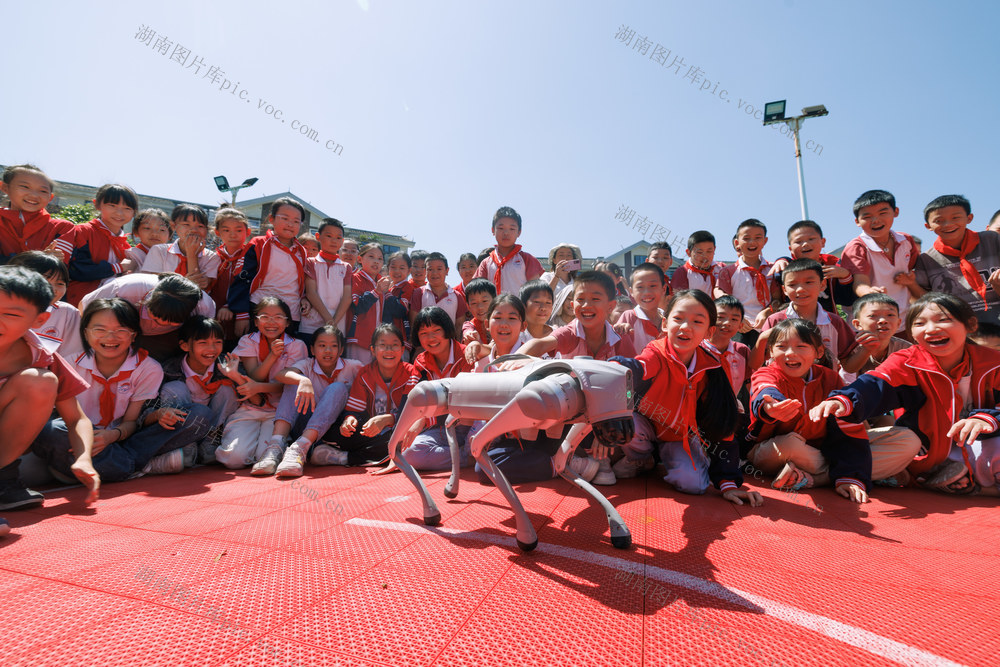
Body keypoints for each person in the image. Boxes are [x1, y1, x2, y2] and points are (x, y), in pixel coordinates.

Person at [812, 292, 1000, 496]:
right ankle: (821, 473)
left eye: (943, 320)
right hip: (926, 453)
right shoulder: (908, 360)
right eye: (920, 323)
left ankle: (968, 482)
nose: (931, 329)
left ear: (970, 325)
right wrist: (846, 399)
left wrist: (988, 418)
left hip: (986, 445)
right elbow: (875, 384)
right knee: (906, 442)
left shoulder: (993, 362)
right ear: (911, 332)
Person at [32, 298, 212, 484]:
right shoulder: (69, 363)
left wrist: (112, 436)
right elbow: (68, 419)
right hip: (81, 438)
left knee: (200, 416)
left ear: (133, 335)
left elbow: (131, 422)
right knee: (49, 430)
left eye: (121, 331)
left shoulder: (148, 368)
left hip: (124, 438)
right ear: (86, 333)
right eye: (99, 330)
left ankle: (108, 467)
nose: (110, 338)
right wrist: (86, 438)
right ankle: (137, 466)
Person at [611, 290, 760, 505]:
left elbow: (723, 420)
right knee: (624, 422)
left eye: (697, 321)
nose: (685, 327)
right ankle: (642, 459)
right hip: (647, 424)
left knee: (695, 485)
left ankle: (671, 458)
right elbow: (638, 366)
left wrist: (729, 483)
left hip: (679, 436)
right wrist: (613, 368)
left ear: (709, 331)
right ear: (665, 323)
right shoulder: (656, 351)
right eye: (678, 319)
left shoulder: (714, 367)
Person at [748, 319, 919, 502]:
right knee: (791, 444)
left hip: (826, 449)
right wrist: (771, 407)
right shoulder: (766, 373)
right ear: (771, 352)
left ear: (818, 352)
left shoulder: (830, 378)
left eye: (801, 346)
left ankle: (821, 476)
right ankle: (846, 474)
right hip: (776, 450)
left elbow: (848, 427)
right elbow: (764, 389)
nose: (790, 353)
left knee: (908, 440)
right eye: (781, 346)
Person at [0, 267, 96, 529]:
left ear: (39, 320)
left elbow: (76, 419)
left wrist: (83, 458)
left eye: (10, 315)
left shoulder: (42, 357)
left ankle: (3, 479)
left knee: (41, 381)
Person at [216, 297, 309, 472]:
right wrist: (272, 356)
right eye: (265, 316)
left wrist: (258, 388)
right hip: (251, 406)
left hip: (279, 410)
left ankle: (272, 446)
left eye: (278, 317)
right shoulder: (248, 340)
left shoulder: (297, 345)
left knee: (264, 456)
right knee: (233, 459)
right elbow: (254, 376)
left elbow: (290, 386)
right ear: (256, 322)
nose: (271, 322)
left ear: (288, 322)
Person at [266, 325, 362, 476]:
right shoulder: (307, 365)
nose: (328, 351)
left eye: (333, 346)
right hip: (303, 426)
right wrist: (303, 381)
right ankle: (275, 446)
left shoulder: (353, 366)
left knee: (337, 388)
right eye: (322, 346)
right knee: (294, 382)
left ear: (341, 350)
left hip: (336, 430)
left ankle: (301, 448)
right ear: (312, 349)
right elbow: (281, 375)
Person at [319, 324, 420, 466]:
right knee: (333, 432)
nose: (389, 350)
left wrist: (387, 419)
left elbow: (415, 414)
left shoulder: (412, 373)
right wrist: (349, 420)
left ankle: (345, 458)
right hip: (372, 431)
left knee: (406, 442)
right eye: (383, 345)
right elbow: (354, 411)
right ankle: (371, 455)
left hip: (400, 429)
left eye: (394, 345)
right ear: (373, 350)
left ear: (403, 349)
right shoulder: (365, 374)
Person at [157, 316, 239, 465]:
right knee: (174, 388)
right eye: (203, 343)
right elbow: (150, 406)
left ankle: (211, 441)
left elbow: (249, 397)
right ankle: (186, 443)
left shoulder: (226, 365)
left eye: (217, 343)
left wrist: (236, 376)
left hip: (213, 425)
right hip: (184, 428)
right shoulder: (168, 370)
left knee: (228, 389)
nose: (212, 349)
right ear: (185, 346)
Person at [79, 273, 216, 361]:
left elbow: (203, 339)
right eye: (155, 316)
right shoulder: (125, 289)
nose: (161, 323)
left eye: (172, 321)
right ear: (148, 301)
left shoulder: (204, 306)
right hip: (119, 332)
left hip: (164, 340)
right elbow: (84, 308)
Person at [752, 259, 858, 371]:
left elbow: (849, 366)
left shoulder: (835, 322)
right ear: (784, 290)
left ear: (822, 285)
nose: (801, 289)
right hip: (782, 386)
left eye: (808, 282)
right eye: (792, 284)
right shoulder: (775, 320)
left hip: (824, 387)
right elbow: (755, 365)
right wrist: (762, 339)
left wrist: (867, 349)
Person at [401, 307, 473, 471]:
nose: (431, 338)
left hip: (471, 425)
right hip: (442, 428)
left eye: (436, 331)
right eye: (424, 333)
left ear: (447, 330)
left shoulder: (466, 355)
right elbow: (413, 400)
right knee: (410, 453)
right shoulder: (420, 361)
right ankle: (467, 457)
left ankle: (473, 450)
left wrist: (423, 417)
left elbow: (472, 399)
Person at [226, 197, 309, 335]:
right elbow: (242, 278)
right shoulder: (258, 244)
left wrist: (305, 298)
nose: (290, 224)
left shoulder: (302, 251)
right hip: (259, 311)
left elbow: (302, 284)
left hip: (291, 315)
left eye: (296, 221)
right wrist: (241, 313)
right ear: (271, 219)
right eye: (285, 218)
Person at [914, 194, 1000, 325]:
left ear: (969, 218)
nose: (948, 224)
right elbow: (924, 297)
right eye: (939, 220)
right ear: (928, 226)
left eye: (956, 217)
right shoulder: (927, 259)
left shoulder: (992, 240)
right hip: (960, 329)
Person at [839, 190, 920, 324]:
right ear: (857, 221)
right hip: (871, 322)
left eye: (883, 213)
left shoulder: (906, 241)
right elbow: (859, 282)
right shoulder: (857, 247)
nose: (876, 220)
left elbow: (912, 271)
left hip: (905, 320)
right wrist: (869, 292)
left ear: (896, 212)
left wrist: (910, 280)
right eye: (867, 216)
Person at [520, 271, 637, 361]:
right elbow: (539, 345)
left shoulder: (620, 336)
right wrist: (513, 361)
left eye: (595, 299)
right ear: (573, 305)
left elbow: (632, 372)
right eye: (580, 299)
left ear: (611, 306)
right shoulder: (570, 333)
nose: (586, 305)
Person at [64, 184, 140, 304]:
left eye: (127, 208)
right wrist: (120, 267)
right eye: (112, 205)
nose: (119, 213)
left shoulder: (125, 246)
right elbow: (77, 270)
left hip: (108, 307)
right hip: (78, 302)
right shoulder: (83, 231)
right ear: (97, 204)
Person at [7, 251, 83, 359]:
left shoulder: (67, 313)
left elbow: (72, 357)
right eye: (44, 282)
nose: (53, 290)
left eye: (60, 284)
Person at [717, 219, 780, 347]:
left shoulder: (773, 270)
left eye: (758, 237)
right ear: (737, 243)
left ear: (765, 241)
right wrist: (737, 318)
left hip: (768, 327)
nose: (752, 242)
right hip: (739, 328)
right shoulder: (728, 271)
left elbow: (779, 299)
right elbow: (724, 301)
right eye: (746, 238)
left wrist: (768, 311)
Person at [769, 220, 854, 314]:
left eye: (811, 239)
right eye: (798, 241)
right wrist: (781, 259)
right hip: (794, 323)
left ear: (823, 242)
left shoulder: (833, 266)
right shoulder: (786, 268)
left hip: (827, 322)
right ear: (790, 249)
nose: (805, 244)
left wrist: (845, 276)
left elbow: (846, 300)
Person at [0, 164, 75, 265]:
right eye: (25, 187)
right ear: (5, 188)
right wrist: (38, 259)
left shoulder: (62, 228)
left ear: (50, 197)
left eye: (43, 191)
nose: (34, 195)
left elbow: (56, 268)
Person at [703, 295, 752, 442]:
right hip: (699, 412)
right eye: (720, 317)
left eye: (734, 319)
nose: (727, 323)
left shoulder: (742, 351)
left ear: (741, 326)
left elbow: (752, 387)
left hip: (730, 414)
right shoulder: (696, 348)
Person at [142, 204, 220, 292]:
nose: (194, 229)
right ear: (174, 226)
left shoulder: (212, 257)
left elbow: (197, 288)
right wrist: (184, 282)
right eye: (186, 224)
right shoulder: (159, 251)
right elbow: (153, 285)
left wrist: (192, 255)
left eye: (200, 226)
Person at [300, 218, 353, 343]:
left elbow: (347, 297)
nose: (334, 241)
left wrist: (333, 323)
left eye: (338, 238)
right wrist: (329, 320)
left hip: (338, 328)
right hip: (310, 326)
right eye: (329, 236)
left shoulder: (346, 267)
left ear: (343, 241)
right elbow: (311, 292)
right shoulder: (310, 262)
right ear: (318, 236)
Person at [840, 293, 911, 385]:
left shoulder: (906, 349)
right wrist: (866, 350)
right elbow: (848, 374)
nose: (883, 320)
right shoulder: (851, 348)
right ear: (857, 324)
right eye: (873, 315)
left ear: (898, 323)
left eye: (890, 315)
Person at [472, 206, 544, 296]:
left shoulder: (527, 259)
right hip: (494, 310)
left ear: (519, 232)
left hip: (520, 309)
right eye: (501, 228)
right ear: (493, 230)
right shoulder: (485, 263)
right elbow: (477, 292)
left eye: (512, 229)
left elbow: (535, 292)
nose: (506, 233)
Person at [210, 207, 251, 348]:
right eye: (226, 230)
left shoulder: (253, 257)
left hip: (242, 318)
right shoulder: (212, 257)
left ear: (248, 232)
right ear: (217, 232)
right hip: (213, 318)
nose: (233, 235)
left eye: (239, 230)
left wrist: (237, 311)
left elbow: (253, 287)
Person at [346, 243, 391, 364]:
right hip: (359, 338)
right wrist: (376, 291)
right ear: (359, 259)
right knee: (356, 375)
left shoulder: (381, 281)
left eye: (380, 259)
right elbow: (358, 306)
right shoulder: (356, 278)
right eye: (371, 256)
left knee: (372, 377)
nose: (376, 261)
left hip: (376, 339)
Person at [614, 262, 667, 353]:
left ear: (663, 289)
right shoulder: (629, 317)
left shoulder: (668, 317)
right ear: (631, 292)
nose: (646, 292)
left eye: (652, 286)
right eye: (640, 287)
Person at [409, 252, 468, 332]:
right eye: (430, 269)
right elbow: (414, 324)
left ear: (447, 271)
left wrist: (455, 344)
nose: (434, 273)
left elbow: (459, 326)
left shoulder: (457, 296)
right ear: (425, 271)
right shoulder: (418, 293)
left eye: (439, 269)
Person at [670, 231, 723, 296]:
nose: (705, 256)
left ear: (714, 250)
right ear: (688, 253)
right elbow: (680, 301)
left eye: (709, 251)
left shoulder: (722, 268)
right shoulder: (682, 272)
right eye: (699, 252)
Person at [383, 251, 414, 355]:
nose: (397, 271)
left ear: (409, 270)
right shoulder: (389, 287)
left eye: (401, 268)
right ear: (388, 268)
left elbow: (400, 310)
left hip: (401, 339)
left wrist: (386, 293)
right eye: (393, 267)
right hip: (385, 336)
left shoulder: (407, 287)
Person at [518, 280, 554, 348]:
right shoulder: (516, 337)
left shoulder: (558, 336)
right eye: (537, 302)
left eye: (548, 302)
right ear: (523, 306)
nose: (543, 308)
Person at [460, 278, 496, 344]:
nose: (480, 307)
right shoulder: (469, 325)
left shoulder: (501, 321)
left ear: (494, 301)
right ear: (468, 307)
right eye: (474, 303)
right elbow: (468, 331)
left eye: (485, 301)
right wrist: (469, 335)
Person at [646, 241, 674, 307]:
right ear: (647, 261)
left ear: (671, 262)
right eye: (655, 257)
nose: (660, 261)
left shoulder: (669, 283)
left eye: (665, 258)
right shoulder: (642, 280)